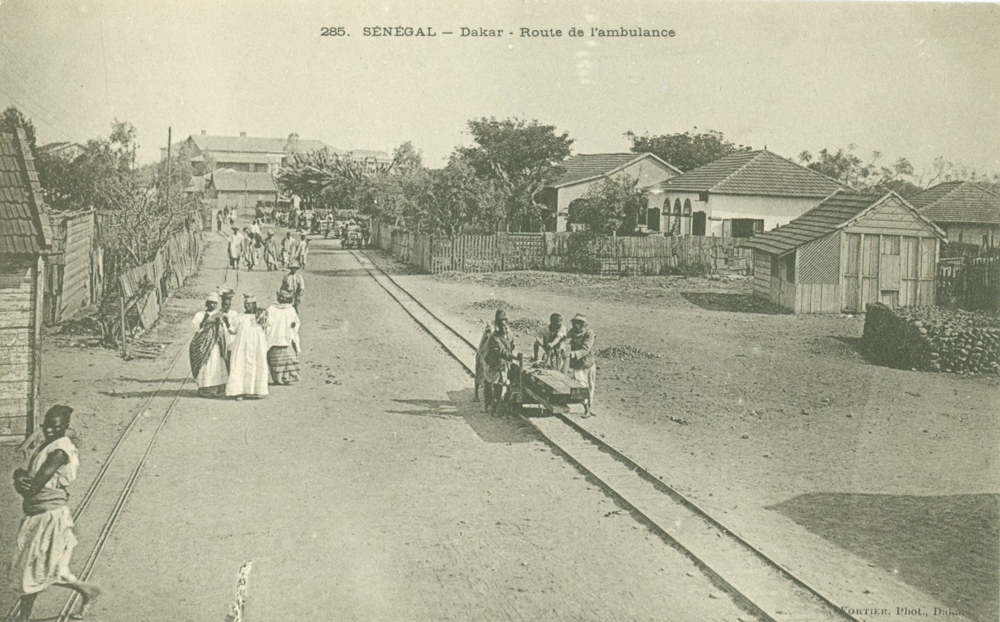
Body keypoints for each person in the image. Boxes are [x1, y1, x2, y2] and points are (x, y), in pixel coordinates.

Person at [10, 406, 101, 622]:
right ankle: (88, 591)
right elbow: (29, 477)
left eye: (56, 427)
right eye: (47, 426)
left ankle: (23, 619)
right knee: (51, 567)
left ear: (66, 428)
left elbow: (33, 486)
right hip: (39, 513)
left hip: (49, 517)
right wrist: (18, 475)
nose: (50, 430)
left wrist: (19, 479)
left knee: (30, 570)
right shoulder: (48, 444)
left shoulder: (60, 451)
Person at [225, 294, 270, 400]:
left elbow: (267, 327)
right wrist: (227, 323)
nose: (248, 306)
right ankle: (239, 391)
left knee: (257, 364)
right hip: (243, 346)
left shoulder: (260, 315)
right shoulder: (240, 317)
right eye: (246, 304)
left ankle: (255, 391)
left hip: (257, 346)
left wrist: (263, 315)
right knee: (240, 365)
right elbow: (233, 330)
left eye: (250, 304)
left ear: (254, 304)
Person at [189, 293, 230, 397]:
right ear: (207, 303)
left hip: (215, 344)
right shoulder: (200, 314)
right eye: (212, 303)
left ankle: (216, 388)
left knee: (216, 363)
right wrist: (206, 319)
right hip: (204, 343)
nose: (214, 305)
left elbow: (224, 328)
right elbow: (198, 328)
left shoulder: (219, 313)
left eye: (216, 303)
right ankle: (205, 388)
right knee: (205, 364)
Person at [482, 310, 516, 415]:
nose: (504, 329)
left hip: (502, 365)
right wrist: (513, 357)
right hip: (492, 363)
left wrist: (510, 357)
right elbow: (501, 350)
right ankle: (486, 404)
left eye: (506, 326)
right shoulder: (494, 337)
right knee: (488, 384)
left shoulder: (510, 335)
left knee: (499, 386)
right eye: (502, 327)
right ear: (497, 326)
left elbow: (512, 347)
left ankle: (495, 407)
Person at [266, 288, 302, 385]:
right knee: (276, 360)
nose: (282, 299)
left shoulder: (290, 310)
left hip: (286, 338)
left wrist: (294, 324)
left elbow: (296, 321)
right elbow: (268, 322)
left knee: (288, 360)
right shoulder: (272, 309)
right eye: (281, 297)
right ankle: (277, 379)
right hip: (275, 337)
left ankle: (287, 378)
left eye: (285, 298)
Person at [567, 314, 596, 417]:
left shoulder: (589, 333)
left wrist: (572, 354)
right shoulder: (571, 332)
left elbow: (585, 349)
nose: (575, 325)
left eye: (577, 323)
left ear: (583, 324)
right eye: (574, 323)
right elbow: (567, 341)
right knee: (580, 387)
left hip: (588, 363)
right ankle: (586, 409)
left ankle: (590, 407)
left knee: (591, 386)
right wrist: (563, 347)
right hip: (577, 365)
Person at [473, 314, 497, 402]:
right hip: (483, 353)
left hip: (489, 353)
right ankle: (476, 394)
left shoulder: (498, 327)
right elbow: (491, 337)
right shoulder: (490, 326)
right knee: (480, 373)